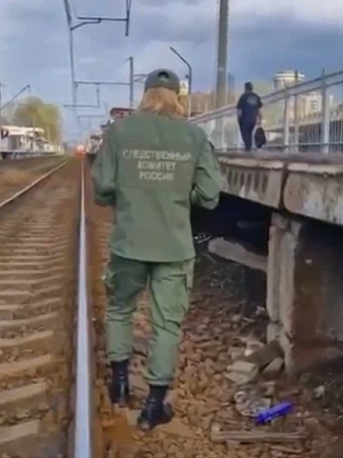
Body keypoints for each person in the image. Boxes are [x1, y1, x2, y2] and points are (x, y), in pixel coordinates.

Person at [91, 68, 223, 431]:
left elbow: (102, 189)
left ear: (146, 95)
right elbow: (210, 194)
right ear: (177, 97)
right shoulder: (194, 135)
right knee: (167, 324)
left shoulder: (119, 132)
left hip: (129, 241)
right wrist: (179, 196)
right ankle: (154, 405)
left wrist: (130, 197)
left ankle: (119, 385)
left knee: (120, 308)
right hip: (174, 246)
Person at [236, 82, 262, 152]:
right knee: (250, 133)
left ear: (245, 88)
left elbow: (239, 111)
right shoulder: (256, 97)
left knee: (245, 135)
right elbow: (259, 110)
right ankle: (249, 148)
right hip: (253, 119)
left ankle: (248, 149)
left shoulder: (243, 97)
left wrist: (238, 120)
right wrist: (260, 119)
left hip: (244, 119)